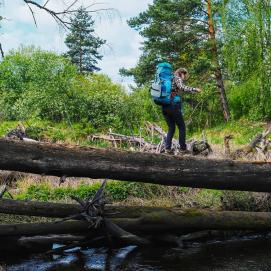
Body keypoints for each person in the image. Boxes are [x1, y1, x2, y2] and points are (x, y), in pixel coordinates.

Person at [162, 68, 202, 154]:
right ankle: (183, 149)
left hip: (164, 106)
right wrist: (195, 89)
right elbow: (182, 87)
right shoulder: (177, 78)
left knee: (171, 128)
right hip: (172, 105)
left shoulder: (167, 79)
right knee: (182, 126)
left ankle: (167, 149)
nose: (185, 77)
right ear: (182, 73)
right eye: (185, 74)